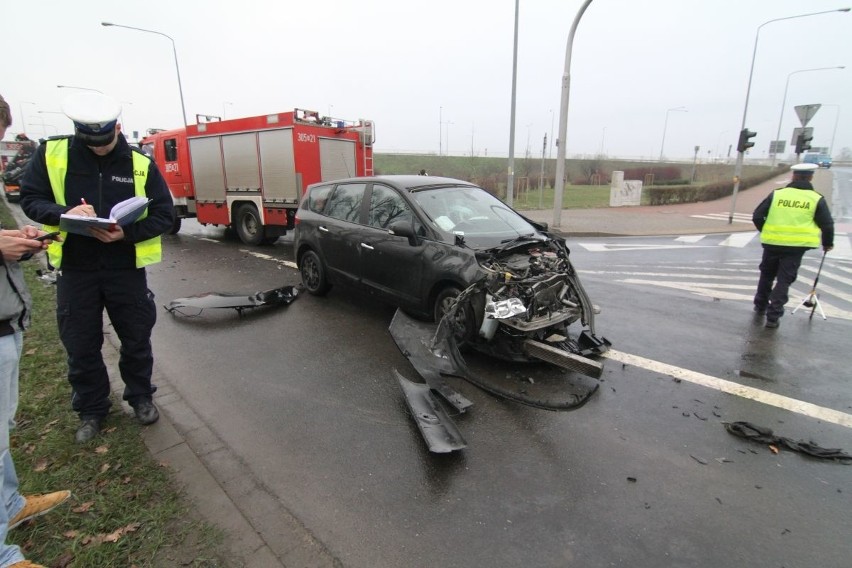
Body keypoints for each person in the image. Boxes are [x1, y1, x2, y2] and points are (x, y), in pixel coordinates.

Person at [19, 92, 174, 443]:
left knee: (136, 338)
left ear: (117, 128)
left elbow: (165, 214)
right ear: (78, 133)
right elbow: (30, 199)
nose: (100, 148)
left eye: (105, 141)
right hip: (76, 268)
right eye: (91, 143)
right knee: (81, 343)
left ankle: (141, 397)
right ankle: (91, 409)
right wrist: (62, 213)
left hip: (125, 268)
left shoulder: (140, 163)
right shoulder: (52, 153)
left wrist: (126, 233)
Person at [1, 92, 72, 568]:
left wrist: (22, 239)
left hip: (6, 320)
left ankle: (9, 505)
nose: (2, 142)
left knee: (1, 429)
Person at [751, 162, 834, 329]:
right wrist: (827, 243)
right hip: (796, 248)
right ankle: (773, 317)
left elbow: (757, 216)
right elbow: (827, 224)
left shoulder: (777, 194)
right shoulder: (816, 199)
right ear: (811, 177)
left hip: (772, 243)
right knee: (784, 280)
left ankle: (760, 305)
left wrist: (766, 231)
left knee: (766, 274)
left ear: (793, 176)